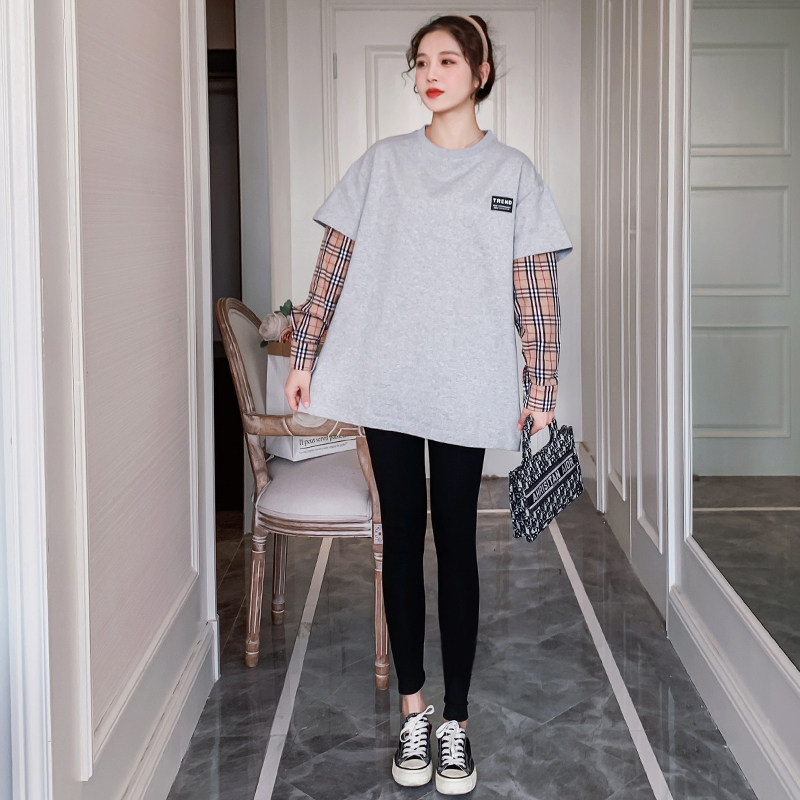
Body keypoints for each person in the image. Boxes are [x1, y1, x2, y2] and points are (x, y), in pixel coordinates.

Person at [284, 13, 571, 795]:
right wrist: (305, 356)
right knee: (402, 539)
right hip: (388, 382)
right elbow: (332, 267)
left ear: (481, 72)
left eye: (446, 60)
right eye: (419, 62)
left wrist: (542, 389)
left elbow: (536, 292)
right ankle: (413, 711)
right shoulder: (382, 163)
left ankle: (458, 724)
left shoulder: (513, 173)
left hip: (468, 384)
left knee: (458, 544)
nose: (429, 74)